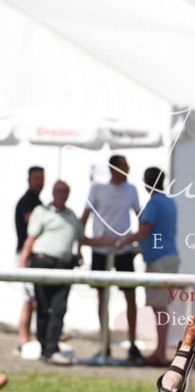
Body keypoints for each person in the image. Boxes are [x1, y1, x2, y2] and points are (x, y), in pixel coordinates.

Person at [19, 181, 101, 365]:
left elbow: (81, 238)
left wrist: (106, 242)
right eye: (59, 190)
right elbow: (30, 238)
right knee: (42, 306)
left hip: (64, 266)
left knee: (59, 308)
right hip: (42, 262)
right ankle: (44, 347)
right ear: (53, 192)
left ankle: (51, 349)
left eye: (65, 191)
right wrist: (23, 263)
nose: (61, 194)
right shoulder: (42, 212)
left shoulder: (71, 216)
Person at [81, 154, 143, 363]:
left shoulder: (131, 190)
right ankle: (104, 343)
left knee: (130, 297)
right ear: (114, 169)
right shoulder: (97, 188)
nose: (128, 170)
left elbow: (141, 216)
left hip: (123, 251)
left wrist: (137, 239)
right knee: (102, 297)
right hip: (100, 251)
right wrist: (80, 245)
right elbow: (85, 216)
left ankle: (132, 344)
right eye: (125, 166)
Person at [114, 167, 179, 367]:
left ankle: (160, 352)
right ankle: (159, 350)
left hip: (159, 261)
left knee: (159, 307)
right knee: (160, 306)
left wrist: (122, 241)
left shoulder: (154, 203)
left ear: (146, 182)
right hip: (168, 258)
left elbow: (143, 231)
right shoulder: (170, 201)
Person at [14, 166, 44, 352]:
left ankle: (27, 339)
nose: (39, 181)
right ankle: (23, 340)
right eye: (36, 178)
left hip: (32, 256)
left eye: (41, 178)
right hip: (25, 256)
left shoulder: (37, 201)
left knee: (33, 299)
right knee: (29, 299)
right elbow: (32, 223)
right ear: (28, 179)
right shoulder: (27, 201)